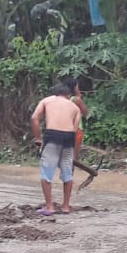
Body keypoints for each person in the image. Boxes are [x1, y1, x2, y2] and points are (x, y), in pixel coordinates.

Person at [31, 83, 82, 216]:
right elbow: (76, 130)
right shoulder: (75, 107)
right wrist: (74, 154)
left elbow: (34, 118)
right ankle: (65, 206)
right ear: (68, 95)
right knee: (67, 173)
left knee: (46, 173)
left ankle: (49, 207)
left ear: (55, 94)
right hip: (69, 138)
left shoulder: (47, 100)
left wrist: (38, 138)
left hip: (52, 136)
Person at [64, 77, 100, 190]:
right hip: (76, 130)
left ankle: (66, 179)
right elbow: (85, 112)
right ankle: (69, 180)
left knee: (66, 156)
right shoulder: (76, 100)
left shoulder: (62, 99)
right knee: (73, 157)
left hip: (64, 130)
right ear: (74, 87)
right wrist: (79, 97)